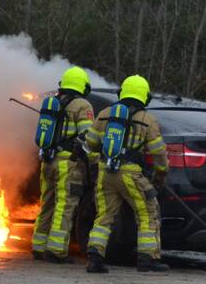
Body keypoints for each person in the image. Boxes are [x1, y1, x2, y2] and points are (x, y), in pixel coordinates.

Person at [83, 75, 169, 273]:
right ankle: (148, 259)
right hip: (131, 175)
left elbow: (90, 145)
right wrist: (159, 177)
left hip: (105, 173)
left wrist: (99, 161)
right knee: (148, 212)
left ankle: (94, 259)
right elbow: (159, 155)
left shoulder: (105, 114)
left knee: (104, 216)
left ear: (121, 93)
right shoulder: (147, 120)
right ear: (145, 98)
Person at [31, 66, 94, 263]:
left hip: (47, 161)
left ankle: (38, 246)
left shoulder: (53, 103)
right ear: (83, 86)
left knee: (47, 203)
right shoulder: (82, 105)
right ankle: (56, 250)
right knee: (65, 205)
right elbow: (88, 136)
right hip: (68, 162)